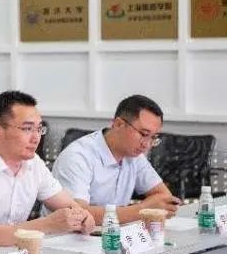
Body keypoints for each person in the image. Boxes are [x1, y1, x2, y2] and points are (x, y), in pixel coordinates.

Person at [0, 91, 94, 246]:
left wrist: (83, 218)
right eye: (27, 129)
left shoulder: (34, 163)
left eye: (39, 129)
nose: (36, 138)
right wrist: (47, 224)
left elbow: (72, 208)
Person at [51, 94, 180, 224]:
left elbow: (165, 198)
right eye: (143, 134)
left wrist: (145, 209)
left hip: (111, 232)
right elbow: (78, 215)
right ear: (118, 124)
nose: (146, 145)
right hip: (66, 235)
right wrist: (142, 210)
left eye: (153, 137)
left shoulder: (134, 155)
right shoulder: (77, 157)